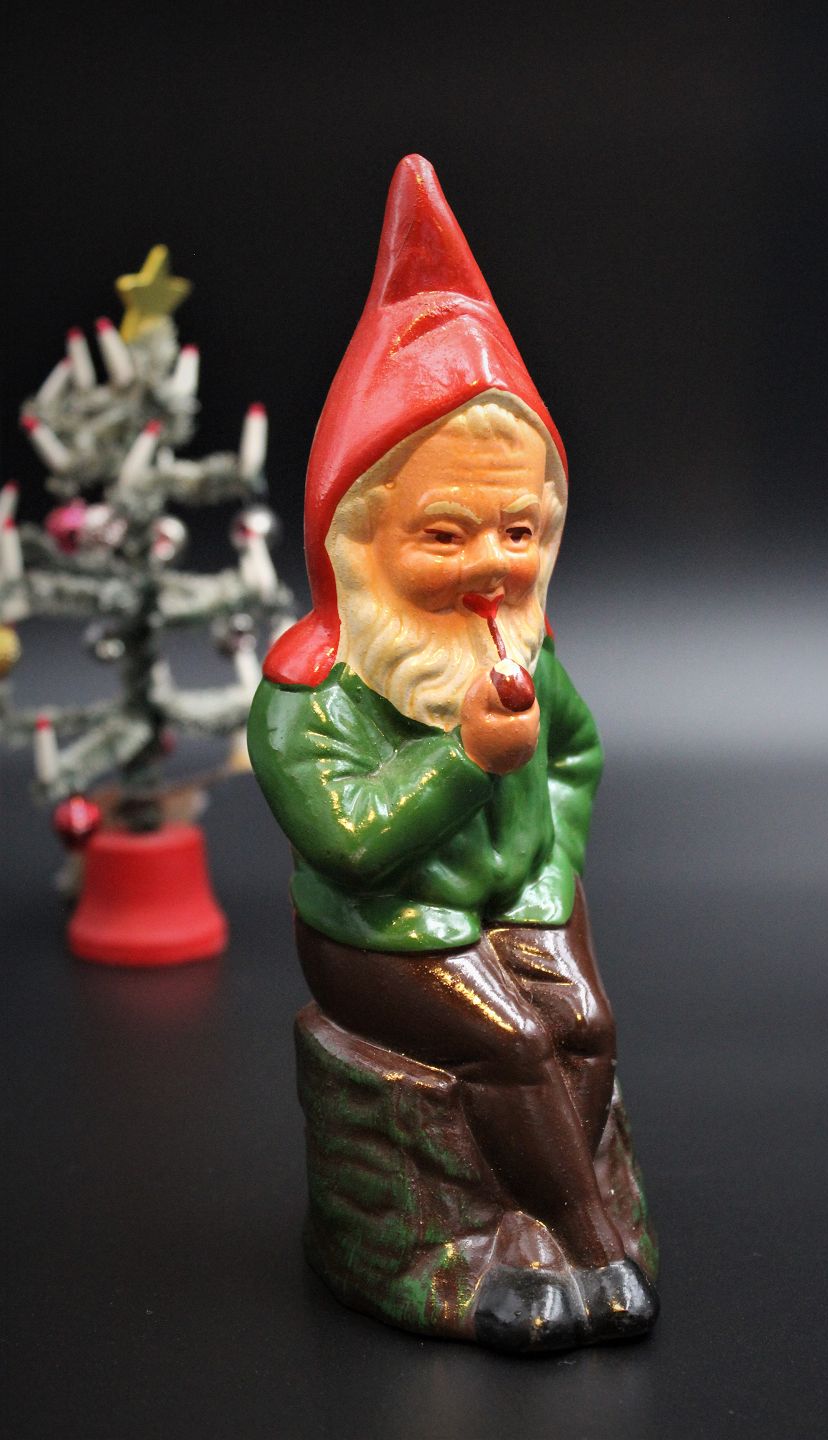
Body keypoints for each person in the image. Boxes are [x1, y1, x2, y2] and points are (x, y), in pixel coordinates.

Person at [248, 155, 658, 1351]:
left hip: (517, 901)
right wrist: (467, 763)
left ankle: (547, 1227)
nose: (491, 564)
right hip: (380, 936)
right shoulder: (311, 690)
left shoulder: (525, 650)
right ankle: (585, 1238)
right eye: (445, 532)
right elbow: (346, 841)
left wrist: (546, 881)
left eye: (519, 530)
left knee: (586, 1024)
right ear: (357, 539)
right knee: (513, 1041)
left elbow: (574, 758)